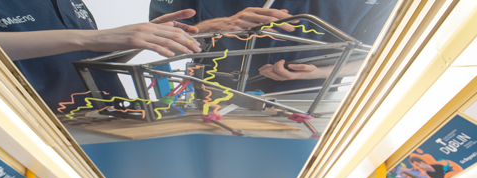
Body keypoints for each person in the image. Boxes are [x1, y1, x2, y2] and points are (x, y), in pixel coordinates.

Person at [0, 0, 202, 113]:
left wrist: (140, 39)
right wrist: (93, 39)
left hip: (106, 120)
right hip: (40, 128)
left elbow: (84, 60)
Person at [149, 0, 397, 92]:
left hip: (308, 104)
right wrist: (218, 25)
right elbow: (157, 35)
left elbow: (380, 57)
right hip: (211, 100)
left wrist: (321, 72)